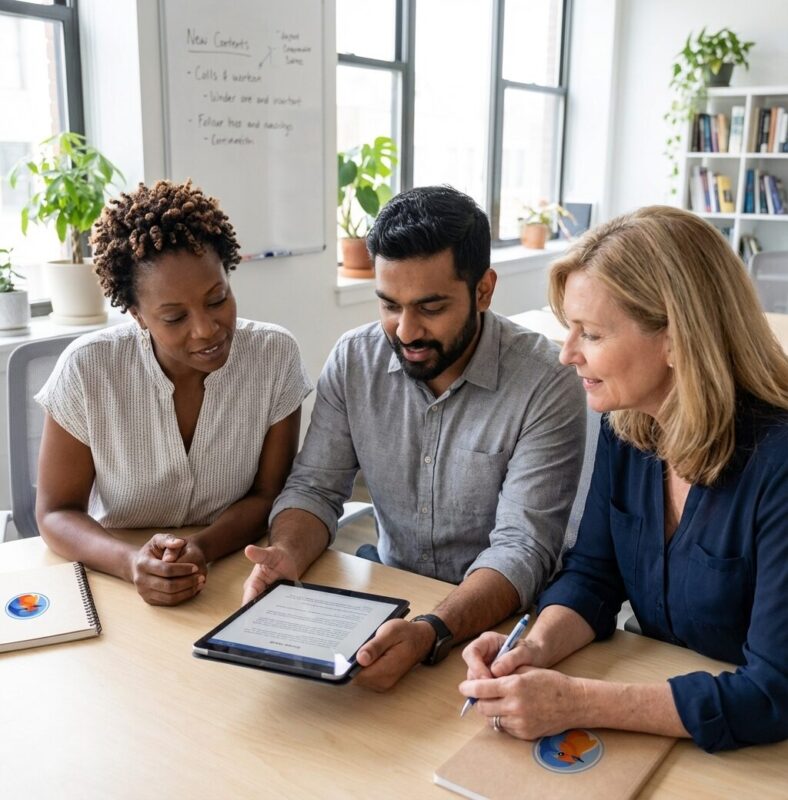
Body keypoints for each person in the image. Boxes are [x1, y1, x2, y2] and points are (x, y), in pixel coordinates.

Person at [460, 206, 788, 751]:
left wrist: (576, 702)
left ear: (676, 340)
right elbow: (593, 576)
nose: (567, 355)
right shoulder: (627, 425)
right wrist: (533, 649)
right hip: (672, 720)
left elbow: (774, 692)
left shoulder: (777, 465)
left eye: (589, 333)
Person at [242, 185, 586, 690]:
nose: (405, 331)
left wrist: (430, 631)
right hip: (390, 599)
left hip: (502, 630)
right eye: (389, 305)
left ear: (484, 291)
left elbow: (522, 549)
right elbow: (315, 488)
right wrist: (288, 554)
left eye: (430, 307)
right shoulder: (354, 359)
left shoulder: (545, 382)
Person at [35, 180, 312, 606]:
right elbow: (56, 513)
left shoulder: (274, 357)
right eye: (174, 316)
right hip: (113, 578)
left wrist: (201, 549)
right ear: (138, 315)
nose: (205, 329)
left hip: (234, 571)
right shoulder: (89, 369)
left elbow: (268, 494)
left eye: (217, 299)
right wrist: (131, 563)